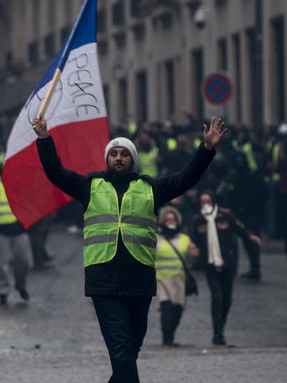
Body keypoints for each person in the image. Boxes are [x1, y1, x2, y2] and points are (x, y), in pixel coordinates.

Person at [33, 114, 225, 383]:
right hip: (104, 284)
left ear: (132, 160)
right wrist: (44, 138)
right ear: (107, 159)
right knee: (122, 354)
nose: (119, 158)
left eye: (124, 154)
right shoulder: (90, 187)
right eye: (114, 154)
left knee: (129, 353)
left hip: (140, 282)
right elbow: (56, 172)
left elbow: (185, 179)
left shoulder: (150, 189)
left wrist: (206, 150)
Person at [190, 191, 261, 345]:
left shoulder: (226, 215)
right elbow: (194, 239)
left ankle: (221, 326)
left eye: (208, 201)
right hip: (209, 265)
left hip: (227, 263)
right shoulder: (198, 221)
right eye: (203, 202)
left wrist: (250, 237)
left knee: (227, 299)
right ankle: (218, 333)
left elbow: (240, 229)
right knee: (217, 297)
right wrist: (193, 249)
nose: (206, 205)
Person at [155, 206, 198, 346]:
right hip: (162, 280)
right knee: (166, 308)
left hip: (179, 280)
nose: (170, 222)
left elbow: (191, 260)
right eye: (167, 220)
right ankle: (166, 339)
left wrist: (193, 254)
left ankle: (171, 336)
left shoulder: (184, 239)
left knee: (178, 310)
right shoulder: (156, 239)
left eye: (173, 219)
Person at [0, 171, 32, 305]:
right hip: (1, 233)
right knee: (2, 264)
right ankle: (3, 291)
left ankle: (21, 285)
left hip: (20, 231)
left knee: (24, 262)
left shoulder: (21, 187)